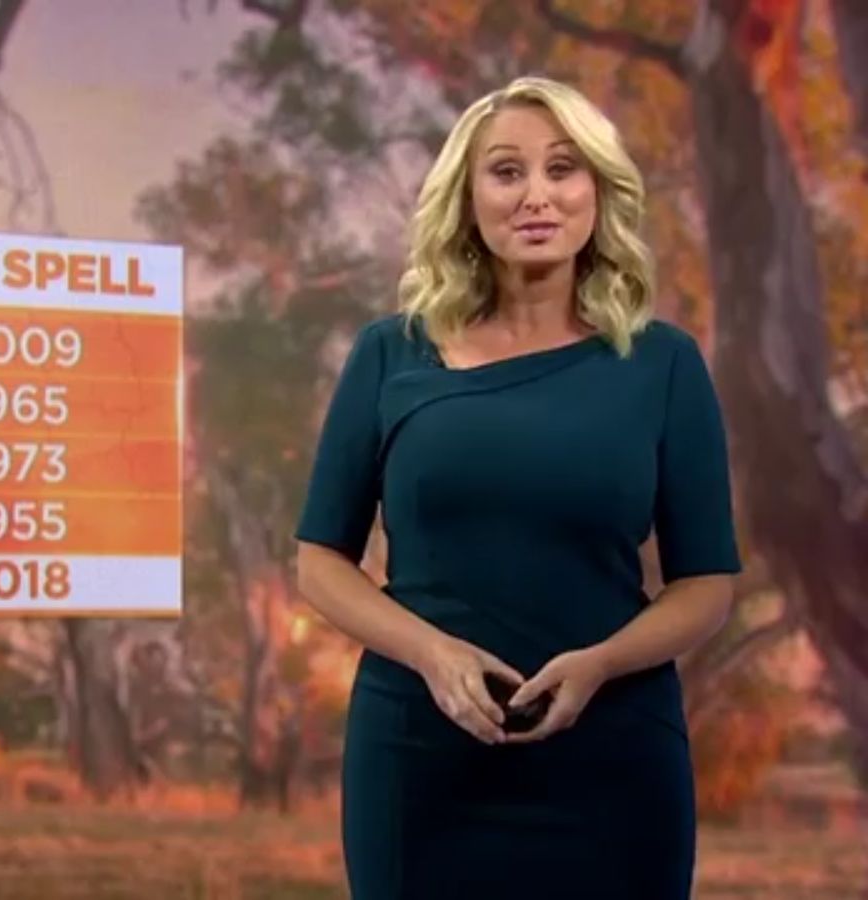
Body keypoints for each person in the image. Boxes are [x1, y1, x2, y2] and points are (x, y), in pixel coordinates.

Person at [294, 75, 741, 899]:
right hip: (421, 759)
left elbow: (707, 584)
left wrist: (602, 665)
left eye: (562, 169)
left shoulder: (664, 363)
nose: (537, 195)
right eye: (507, 172)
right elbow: (320, 561)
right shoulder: (391, 354)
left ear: (598, 192)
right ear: (468, 199)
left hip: (614, 758)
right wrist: (431, 655)